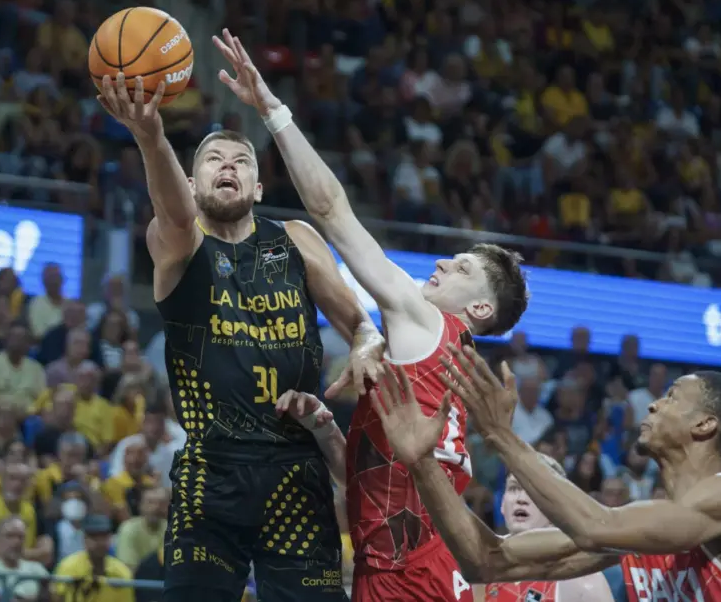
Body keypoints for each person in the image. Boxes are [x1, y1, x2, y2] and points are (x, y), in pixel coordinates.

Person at [211, 30, 528, 602]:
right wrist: (327, 428)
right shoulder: (451, 366)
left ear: (480, 307)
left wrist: (272, 110)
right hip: (422, 565)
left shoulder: (426, 323)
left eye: (459, 268)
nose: (440, 263)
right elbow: (376, 483)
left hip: (408, 572)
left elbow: (331, 210)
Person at [96, 57, 386, 602]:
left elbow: (358, 322)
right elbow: (177, 215)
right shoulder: (175, 241)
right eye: (212, 159)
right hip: (212, 469)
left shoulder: (296, 238)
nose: (227, 166)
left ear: (255, 187)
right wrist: (151, 134)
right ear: (189, 180)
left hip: (296, 469)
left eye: (241, 161)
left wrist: (367, 344)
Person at [370, 347, 721, 602]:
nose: (653, 405)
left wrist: (500, 435)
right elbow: (486, 560)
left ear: (705, 425)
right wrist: (422, 462)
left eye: (671, 396)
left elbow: (595, 526)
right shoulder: (651, 530)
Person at [475, 456, 613, 602]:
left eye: (534, 491)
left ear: (558, 508)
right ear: (502, 503)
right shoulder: (482, 564)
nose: (521, 499)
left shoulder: (580, 576)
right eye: (514, 488)